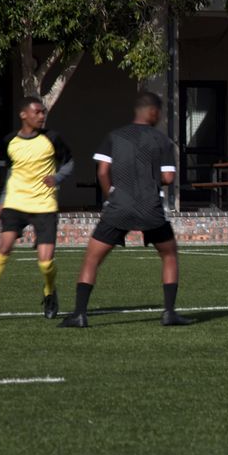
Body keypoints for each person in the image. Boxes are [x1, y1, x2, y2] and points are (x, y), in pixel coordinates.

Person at [58, 91, 192, 328]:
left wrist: (111, 193)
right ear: (153, 112)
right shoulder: (162, 141)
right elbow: (169, 177)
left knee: (92, 259)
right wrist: (149, 181)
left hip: (118, 206)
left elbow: (101, 172)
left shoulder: (114, 137)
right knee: (169, 255)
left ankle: (79, 314)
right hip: (150, 208)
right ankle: (169, 313)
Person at [0, 97, 73, 320]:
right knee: (4, 247)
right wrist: (3, 199)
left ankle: (50, 291)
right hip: (16, 202)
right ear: (24, 115)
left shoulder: (52, 139)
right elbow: (13, 170)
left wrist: (58, 177)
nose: (41, 116)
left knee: (45, 262)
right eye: (37, 112)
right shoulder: (10, 141)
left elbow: (70, 162)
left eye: (43, 112)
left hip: (44, 204)